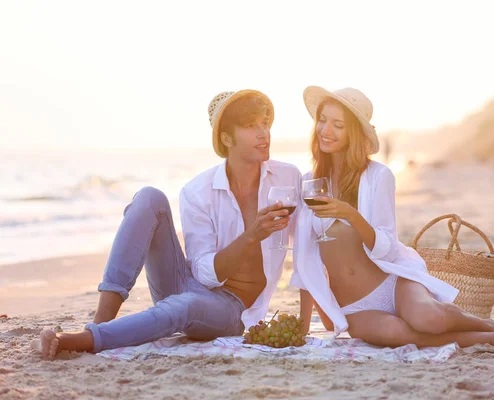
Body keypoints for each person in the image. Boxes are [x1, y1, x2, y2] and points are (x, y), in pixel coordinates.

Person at [290, 86, 494, 349]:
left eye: (338, 124)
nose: (326, 130)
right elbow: (304, 260)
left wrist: (349, 214)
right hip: (353, 306)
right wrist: (301, 331)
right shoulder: (308, 184)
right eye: (322, 121)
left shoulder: (377, 176)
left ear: (353, 132)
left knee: (430, 319)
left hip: (391, 281)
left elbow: (385, 244)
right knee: (402, 335)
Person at [38, 89, 302, 359]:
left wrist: (315, 314)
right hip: (188, 283)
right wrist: (252, 235)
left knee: (185, 305)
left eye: (265, 124)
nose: (263, 133)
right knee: (149, 197)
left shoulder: (287, 178)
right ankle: (100, 322)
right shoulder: (197, 191)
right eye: (250, 126)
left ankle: (87, 339)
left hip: (234, 310)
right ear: (226, 138)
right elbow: (203, 274)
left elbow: (307, 247)